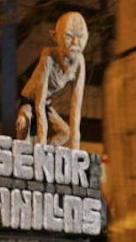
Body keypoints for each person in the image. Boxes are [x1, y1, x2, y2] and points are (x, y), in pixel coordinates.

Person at [15, 12, 88, 148]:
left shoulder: (79, 62)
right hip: (31, 100)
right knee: (22, 124)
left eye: (80, 36)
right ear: (55, 36)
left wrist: (75, 147)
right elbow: (39, 102)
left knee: (66, 132)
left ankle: (46, 151)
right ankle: (23, 150)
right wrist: (41, 143)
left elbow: (76, 107)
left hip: (46, 103)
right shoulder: (48, 57)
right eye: (68, 36)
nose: (75, 42)